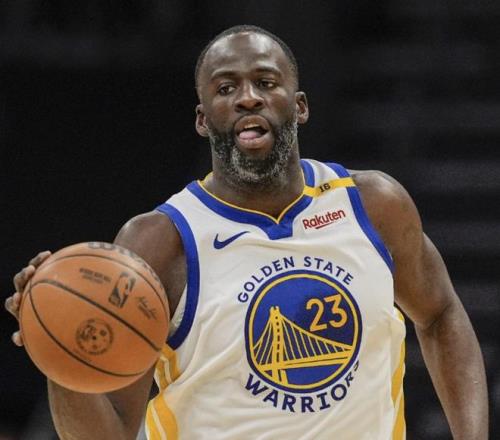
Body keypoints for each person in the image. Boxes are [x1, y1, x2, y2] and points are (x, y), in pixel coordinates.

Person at [5, 25, 488, 440]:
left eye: (266, 82)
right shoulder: (162, 241)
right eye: (225, 88)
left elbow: (441, 313)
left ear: (299, 106)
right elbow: (109, 432)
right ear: (202, 119)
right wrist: (58, 347)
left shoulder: (373, 204)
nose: (248, 97)